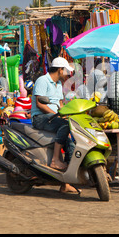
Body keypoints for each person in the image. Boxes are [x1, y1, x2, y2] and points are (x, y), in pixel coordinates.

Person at [31, 57, 78, 193]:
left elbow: (60, 104)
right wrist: (56, 115)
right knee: (64, 125)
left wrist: (65, 114)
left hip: (53, 117)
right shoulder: (42, 81)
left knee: (71, 144)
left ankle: (66, 183)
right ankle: (55, 160)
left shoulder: (58, 84)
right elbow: (40, 103)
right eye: (65, 71)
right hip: (41, 118)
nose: (67, 74)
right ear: (59, 70)